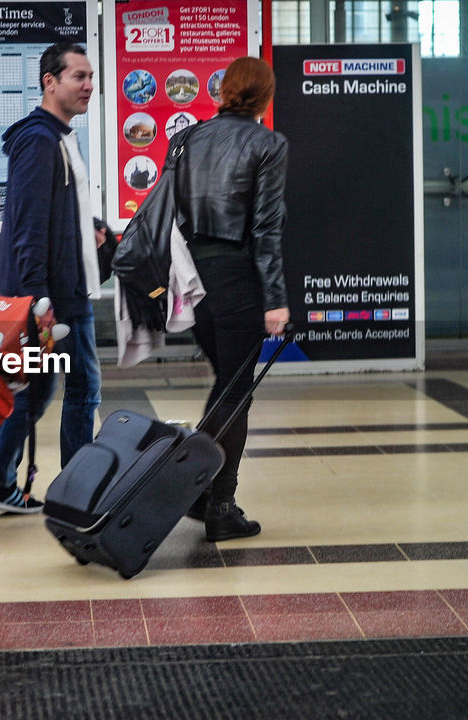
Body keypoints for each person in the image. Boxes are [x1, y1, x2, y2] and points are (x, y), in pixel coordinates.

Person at [0, 41, 108, 513]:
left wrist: (90, 232)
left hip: (58, 288)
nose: (89, 86)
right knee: (83, 390)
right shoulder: (38, 140)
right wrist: (37, 299)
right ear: (49, 82)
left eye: (91, 76)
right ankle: (78, 496)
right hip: (56, 298)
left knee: (35, 390)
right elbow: (28, 226)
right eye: (79, 76)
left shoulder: (57, 136)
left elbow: (54, 217)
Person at [173, 57, 289, 541]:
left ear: (223, 91)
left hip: (191, 278)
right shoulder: (268, 144)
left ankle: (203, 494)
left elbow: (169, 212)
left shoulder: (188, 137)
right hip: (237, 278)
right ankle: (216, 503)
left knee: (227, 384)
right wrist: (275, 297)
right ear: (264, 96)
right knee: (236, 391)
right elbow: (265, 228)